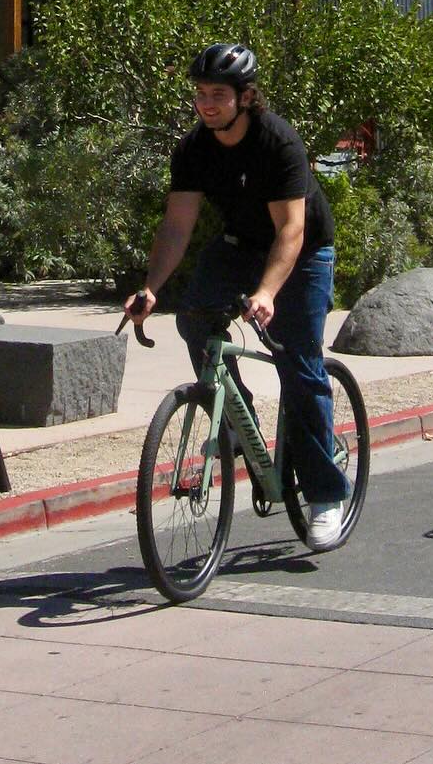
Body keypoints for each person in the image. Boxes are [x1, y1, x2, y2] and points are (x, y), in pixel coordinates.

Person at [123, 42, 349, 550]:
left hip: (303, 252)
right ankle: (237, 416)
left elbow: (291, 231)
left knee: (300, 364)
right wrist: (150, 288)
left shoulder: (278, 143)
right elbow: (177, 226)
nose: (206, 104)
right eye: (201, 94)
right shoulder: (195, 148)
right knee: (195, 317)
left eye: (218, 95)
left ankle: (326, 496)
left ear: (245, 97)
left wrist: (268, 293)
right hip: (239, 246)